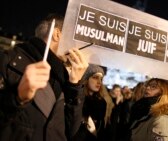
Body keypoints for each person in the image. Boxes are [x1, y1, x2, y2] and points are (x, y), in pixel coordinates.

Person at [0, 13, 88, 141]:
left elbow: (71, 132)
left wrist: (75, 86)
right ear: (57, 34)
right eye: (75, 38)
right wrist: (17, 98)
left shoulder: (65, 76)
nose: (78, 46)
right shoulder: (8, 60)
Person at [73, 64, 113, 141]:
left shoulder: (101, 102)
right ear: (86, 79)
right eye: (95, 77)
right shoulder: (78, 99)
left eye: (101, 79)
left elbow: (101, 128)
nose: (99, 82)